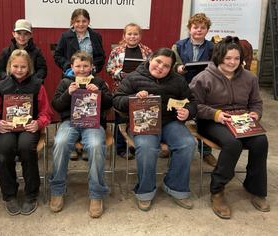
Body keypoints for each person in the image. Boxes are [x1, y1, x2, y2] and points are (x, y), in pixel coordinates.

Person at [189, 36, 269, 219]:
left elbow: (256, 102)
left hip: (242, 120)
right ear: (218, 57)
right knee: (233, 144)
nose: (233, 62)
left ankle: (255, 188)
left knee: (260, 142)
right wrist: (215, 114)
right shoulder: (203, 78)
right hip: (212, 121)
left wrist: (256, 114)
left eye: (236, 58)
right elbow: (194, 106)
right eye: (228, 58)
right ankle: (217, 190)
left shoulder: (250, 78)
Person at [113, 48, 197, 211]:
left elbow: (192, 101)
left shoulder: (178, 81)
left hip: (170, 122)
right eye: (158, 61)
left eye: (166, 66)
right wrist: (133, 98)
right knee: (146, 148)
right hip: (144, 122)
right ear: (150, 59)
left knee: (187, 144)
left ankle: (175, 186)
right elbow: (116, 100)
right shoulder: (134, 77)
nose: (160, 67)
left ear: (171, 68)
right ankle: (145, 191)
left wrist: (188, 111)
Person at [49, 51, 112, 218]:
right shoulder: (65, 82)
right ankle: (57, 190)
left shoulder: (98, 81)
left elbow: (109, 104)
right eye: (78, 66)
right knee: (60, 142)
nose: (82, 69)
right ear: (72, 67)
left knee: (97, 145)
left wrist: (99, 92)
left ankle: (96, 194)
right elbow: (56, 105)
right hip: (70, 122)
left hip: (93, 123)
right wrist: (67, 93)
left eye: (85, 66)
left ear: (92, 67)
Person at [0, 49, 53, 216]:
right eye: (15, 66)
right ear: (9, 66)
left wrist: (38, 123)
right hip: (8, 128)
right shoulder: (2, 86)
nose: (19, 70)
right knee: (3, 151)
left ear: (29, 67)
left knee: (26, 148)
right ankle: (9, 194)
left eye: (23, 67)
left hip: (28, 128)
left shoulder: (37, 85)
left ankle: (31, 194)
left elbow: (46, 112)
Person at [53, 8, 106, 160]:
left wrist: (94, 66)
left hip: (90, 77)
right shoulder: (65, 36)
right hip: (72, 76)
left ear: (88, 22)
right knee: (72, 107)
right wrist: (67, 67)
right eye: (77, 21)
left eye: (84, 21)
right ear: (72, 22)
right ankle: (74, 146)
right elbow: (57, 54)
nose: (80, 24)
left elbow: (101, 55)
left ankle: (87, 144)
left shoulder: (95, 36)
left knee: (88, 108)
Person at [171, 13, 216, 167]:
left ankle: (206, 151)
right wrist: (179, 68)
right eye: (195, 27)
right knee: (176, 116)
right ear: (189, 29)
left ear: (207, 30)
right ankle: (171, 146)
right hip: (182, 86)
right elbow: (172, 64)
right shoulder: (178, 45)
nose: (198, 30)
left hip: (205, 87)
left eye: (202, 28)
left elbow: (217, 65)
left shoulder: (213, 47)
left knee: (204, 117)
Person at [106, 23, 152, 160]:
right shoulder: (117, 51)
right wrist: (121, 74)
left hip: (141, 90)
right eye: (129, 34)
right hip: (121, 89)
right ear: (124, 36)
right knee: (121, 118)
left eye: (135, 34)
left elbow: (152, 69)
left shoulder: (147, 51)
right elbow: (109, 68)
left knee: (138, 118)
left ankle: (135, 145)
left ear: (140, 36)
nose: (132, 36)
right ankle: (121, 147)